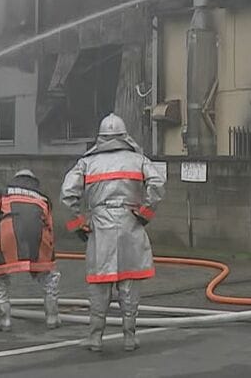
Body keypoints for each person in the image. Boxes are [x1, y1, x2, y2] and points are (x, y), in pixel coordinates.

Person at [62, 113, 165, 352]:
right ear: (124, 135)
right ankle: (129, 337)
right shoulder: (138, 159)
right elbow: (158, 184)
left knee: (100, 282)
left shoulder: (87, 163)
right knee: (129, 282)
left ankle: (96, 337)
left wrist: (79, 223)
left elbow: (68, 194)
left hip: (100, 226)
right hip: (131, 224)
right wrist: (145, 213)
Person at [0, 168, 61, 332]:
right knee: (49, 277)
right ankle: (52, 317)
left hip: (6, 236)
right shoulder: (43, 199)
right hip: (37, 238)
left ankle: (5, 320)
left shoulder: (1, 193)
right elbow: (50, 227)